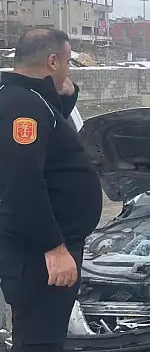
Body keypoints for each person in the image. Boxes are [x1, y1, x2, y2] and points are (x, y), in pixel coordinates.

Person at [0, 29, 103, 352]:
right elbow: (22, 183)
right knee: (38, 342)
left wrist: (64, 96)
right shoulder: (23, 107)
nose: (68, 70)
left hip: (38, 247)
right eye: (67, 63)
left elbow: (50, 143)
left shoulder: (28, 99)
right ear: (53, 60)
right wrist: (54, 249)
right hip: (38, 254)